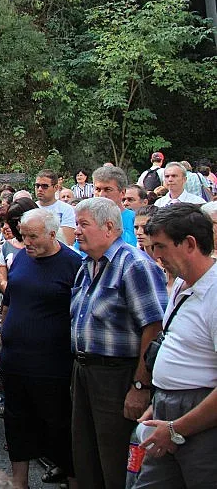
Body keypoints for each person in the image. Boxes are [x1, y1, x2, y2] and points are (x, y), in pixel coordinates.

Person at [70, 197, 166, 489]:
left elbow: (153, 327)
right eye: (76, 224)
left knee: (114, 462)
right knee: (86, 458)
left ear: (109, 227)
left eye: (83, 224)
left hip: (117, 376)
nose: (76, 232)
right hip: (85, 372)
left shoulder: (133, 264)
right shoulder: (87, 265)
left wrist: (140, 386)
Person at [135, 203, 217, 486]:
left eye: (161, 246)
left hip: (200, 415)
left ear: (190, 244)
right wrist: (160, 405)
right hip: (167, 410)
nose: (155, 255)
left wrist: (176, 427)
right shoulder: (182, 283)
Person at [0, 209, 82, 489]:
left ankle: (73, 480)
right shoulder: (22, 257)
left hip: (52, 364)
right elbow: (9, 301)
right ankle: (19, 483)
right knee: (17, 423)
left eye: (32, 236)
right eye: (23, 236)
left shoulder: (73, 264)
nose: (26, 242)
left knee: (58, 427)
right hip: (14, 360)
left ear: (52, 233)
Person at [92, 164, 138, 247]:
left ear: (122, 192)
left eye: (108, 189)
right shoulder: (88, 219)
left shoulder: (135, 219)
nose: (101, 195)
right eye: (98, 189)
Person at [35, 168, 76, 244]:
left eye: (45, 186)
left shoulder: (66, 209)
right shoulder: (31, 208)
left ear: (56, 187)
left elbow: (67, 241)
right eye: (37, 186)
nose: (40, 189)